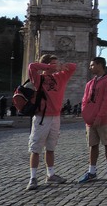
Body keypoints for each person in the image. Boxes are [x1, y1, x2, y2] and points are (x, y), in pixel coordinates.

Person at [25, 54, 77, 191]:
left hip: (56, 117)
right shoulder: (39, 79)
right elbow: (32, 66)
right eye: (52, 64)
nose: (55, 67)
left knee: (51, 147)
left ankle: (50, 174)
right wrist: (49, 67)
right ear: (46, 65)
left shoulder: (61, 77)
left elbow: (73, 67)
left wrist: (61, 66)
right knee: (35, 148)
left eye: (56, 64)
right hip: (42, 117)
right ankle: (33, 177)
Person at [78, 57, 107, 183]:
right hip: (90, 120)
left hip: (104, 119)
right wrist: (86, 115)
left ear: (100, 65)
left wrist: (99, 117)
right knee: (92, 145)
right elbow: (85, 100)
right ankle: (92, 171)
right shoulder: (89, 83)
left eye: (92, 65)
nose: (90, 67)